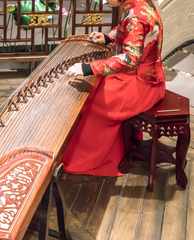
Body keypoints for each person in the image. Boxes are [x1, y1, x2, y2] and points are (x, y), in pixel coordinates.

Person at [62, 0, 166, 176]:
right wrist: (108, 37)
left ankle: (88, 160)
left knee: (98, 101)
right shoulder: (137, 3)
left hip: (144, 83)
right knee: (98, 86)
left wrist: (89, 68)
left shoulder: (137, 16)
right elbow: (127, 28)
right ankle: (115, 150)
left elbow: (131, 60)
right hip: (143, 76)